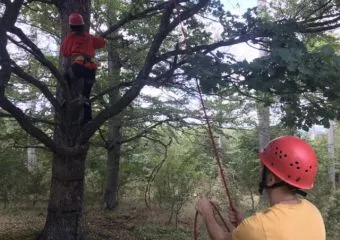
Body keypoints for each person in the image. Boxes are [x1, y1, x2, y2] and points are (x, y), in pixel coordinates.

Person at [195, 135, 326, 240]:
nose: (259, 170)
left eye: (263, 167)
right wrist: (243, 223)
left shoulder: (259, 227)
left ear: (270, 179)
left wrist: (207, 213)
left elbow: (222, 238)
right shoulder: (313, 211)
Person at [60, 12, 106, 124]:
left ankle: (66, 100)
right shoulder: (89, 37)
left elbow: (65, 53)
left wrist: (75, 51)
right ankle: (87, 118)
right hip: (92, 69)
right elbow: (102, 43)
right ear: (82, 25)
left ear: (71, 27)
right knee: (86, 95)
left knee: (66, 77)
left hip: (79, 66)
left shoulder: (71, 37)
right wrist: (99, 37)